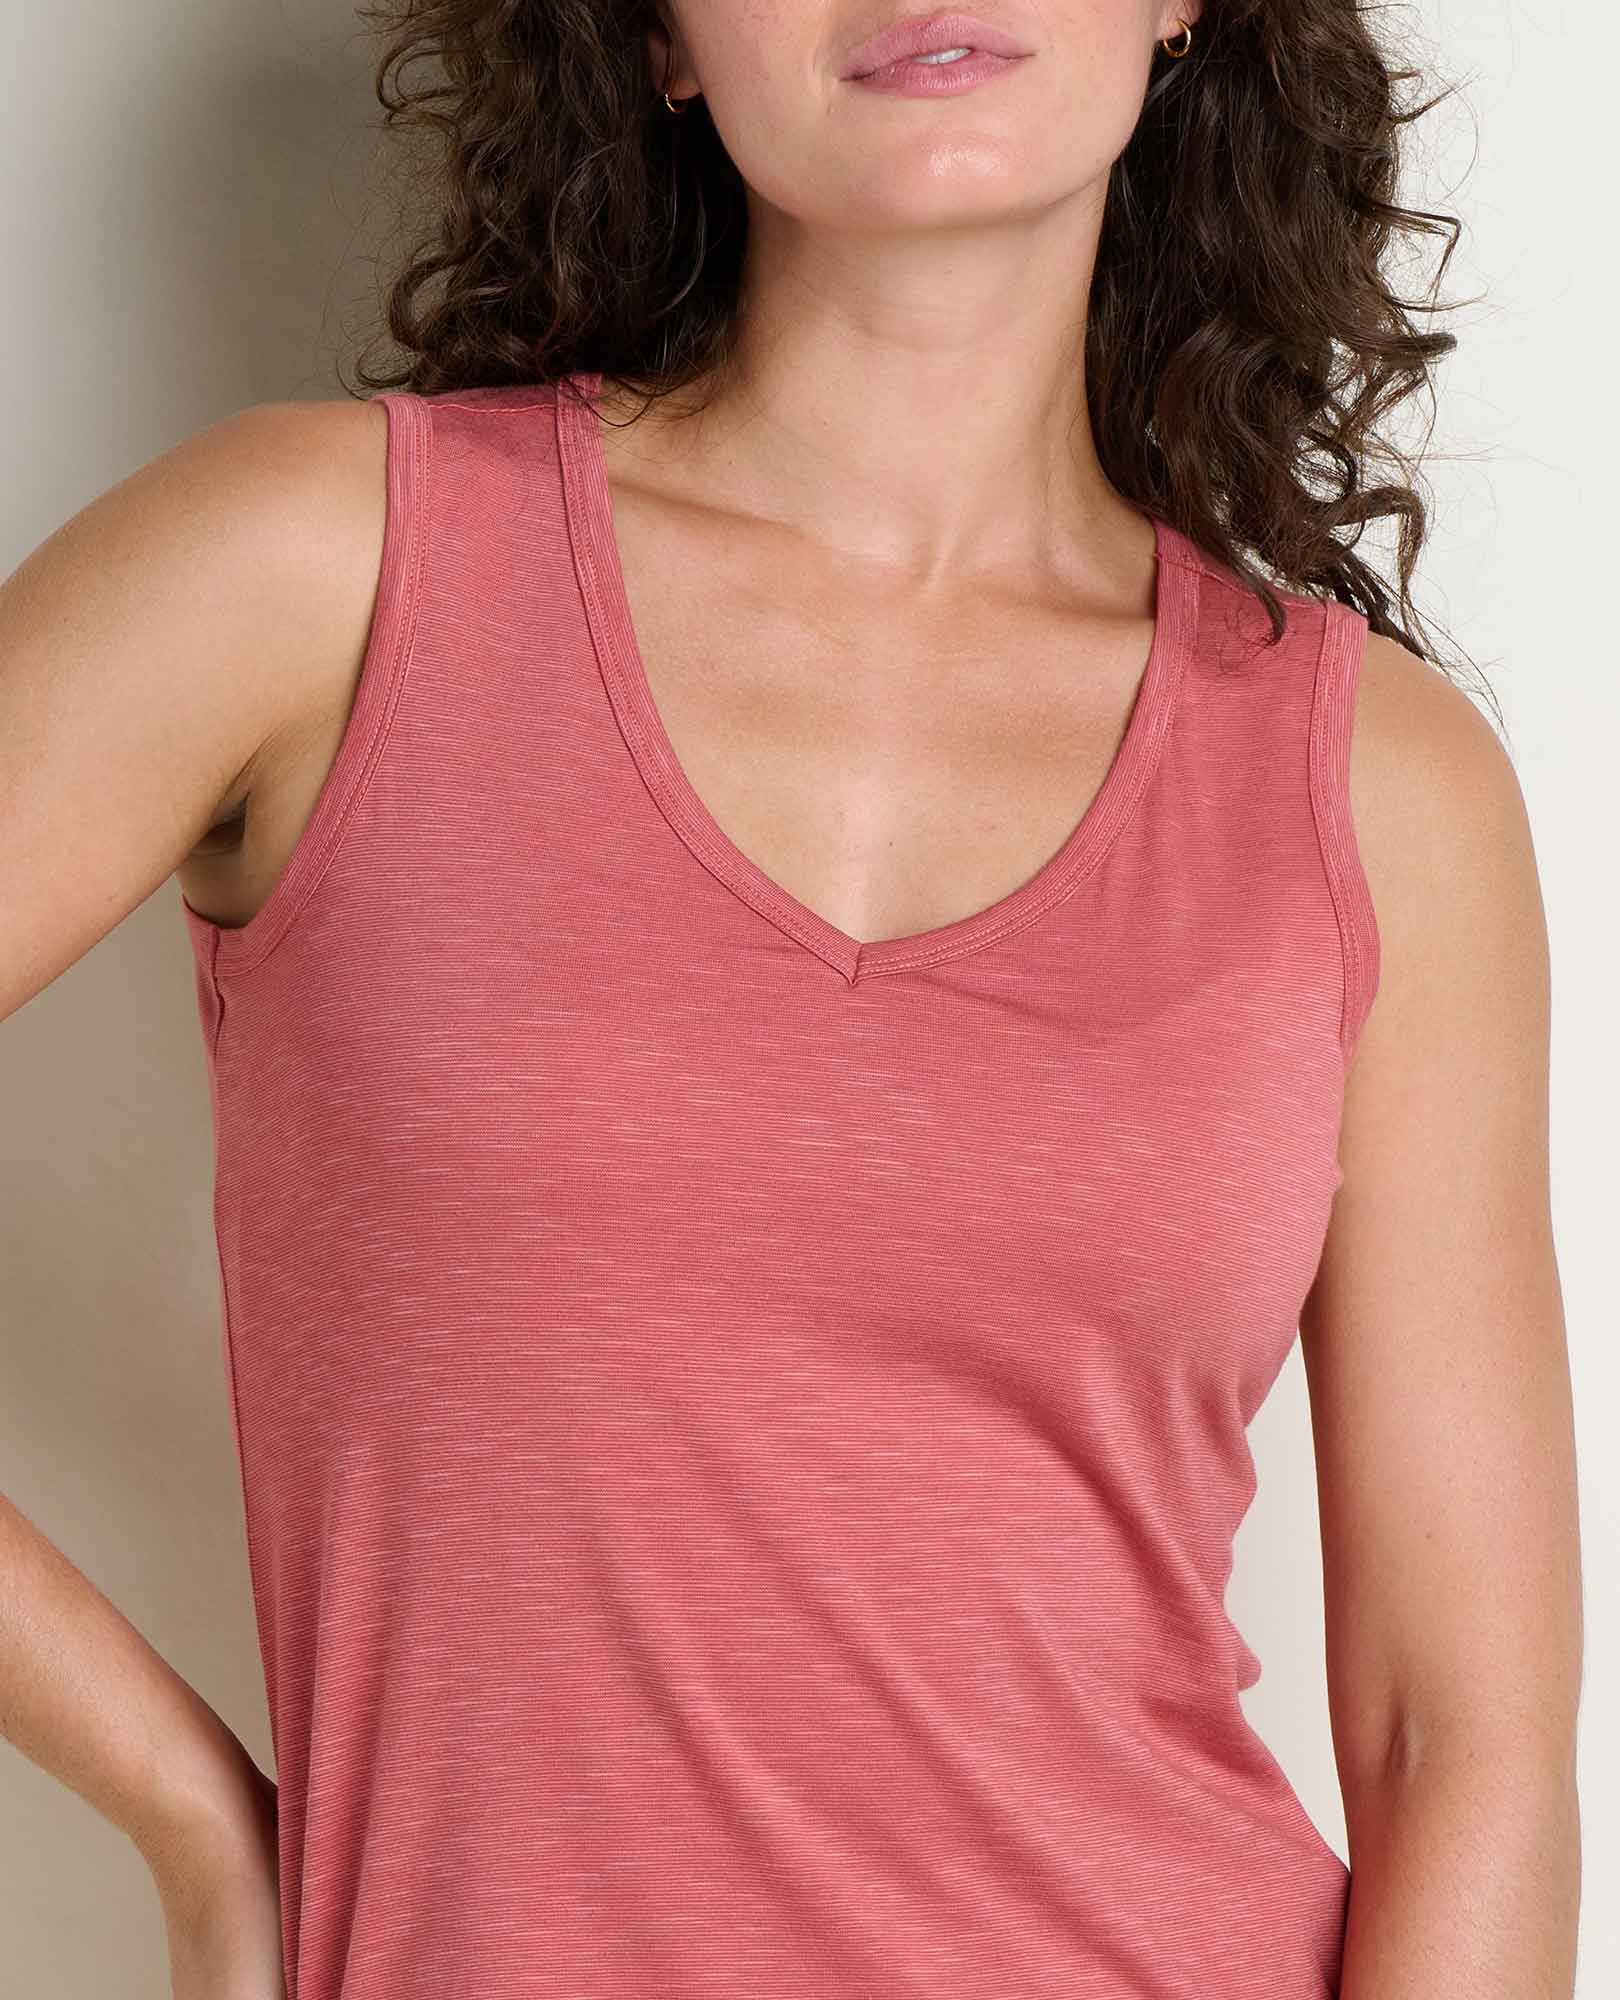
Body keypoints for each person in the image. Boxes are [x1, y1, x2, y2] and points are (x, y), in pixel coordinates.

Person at [0, 3, 1584, 1998]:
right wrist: (190, 1815)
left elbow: (1465, 1748)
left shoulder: (1379, 788)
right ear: (659, 39)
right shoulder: (320, 570)